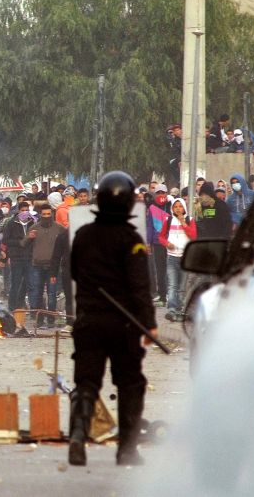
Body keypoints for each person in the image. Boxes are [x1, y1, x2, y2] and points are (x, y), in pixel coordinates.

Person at [68, 171, 157, 467]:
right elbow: (140, 287)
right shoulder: (131, 240)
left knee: (87, 382)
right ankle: (127, 450)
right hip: (125, 324)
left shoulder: (83, 236)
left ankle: (78, 436)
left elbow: (75, 274)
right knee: (131, 383)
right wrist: (149, 321)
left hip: (89, 321)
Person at [25, 205, 68, 328]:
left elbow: (66, 243)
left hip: (53, 267)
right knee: (37, 293)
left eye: (48, 214)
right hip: (36, 266)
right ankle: (39, 319)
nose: (46, 216)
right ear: (40, 215)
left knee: (52, 294)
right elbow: (23, 243)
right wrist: (29, 237)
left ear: (52, 214)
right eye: (44, 214)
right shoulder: (34, 227)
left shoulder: (59, 228)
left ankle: (51, 320)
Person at [158, 198, 196, 322]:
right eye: (176, 207)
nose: (178, 209)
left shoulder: (190, 220)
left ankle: (180, 309)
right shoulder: (168, 220)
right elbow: (161, 237)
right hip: (172, 257)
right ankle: (172, 309)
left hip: (186, 257)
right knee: (172, 284)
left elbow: (193, 236)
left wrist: (183, 223)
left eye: (180, 206)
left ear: (184, 208)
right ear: (172, 208)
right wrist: (167, 243)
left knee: (182, 285)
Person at [2, 202, 35, 314]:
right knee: (15, 283)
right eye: (22, 210)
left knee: (29, 283)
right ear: (18, 211)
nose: (25, 212)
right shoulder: (11, 223)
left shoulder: (33, 222)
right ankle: (12, 307)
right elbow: (5, 240)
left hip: (29, 258)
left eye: (27, 210)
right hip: (16, 257)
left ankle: (24, 305)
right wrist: (20, 242)